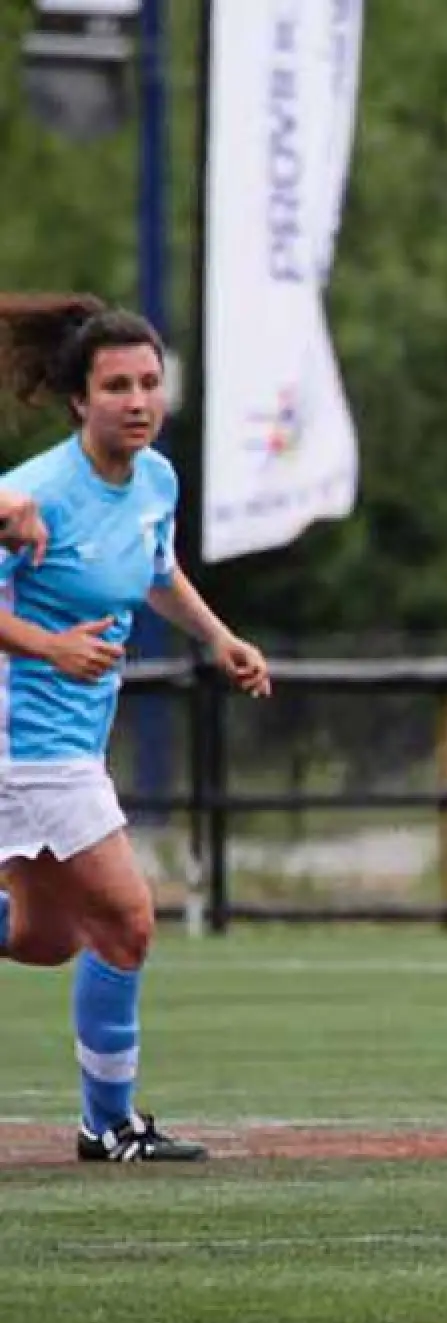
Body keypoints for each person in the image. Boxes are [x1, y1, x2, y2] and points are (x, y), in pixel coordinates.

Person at [0, 293, 272, 1159]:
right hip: (25, 741)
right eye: (116, 385)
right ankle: (108, 1124)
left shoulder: (155, 478)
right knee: (127, 922)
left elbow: (159, 571)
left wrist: (221, 637)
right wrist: (47, 645)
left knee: (46, 937)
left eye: (149, 382)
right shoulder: (34, 495)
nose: (138, 399)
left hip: (71, 741)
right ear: (80, 399)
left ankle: (104, 1121)